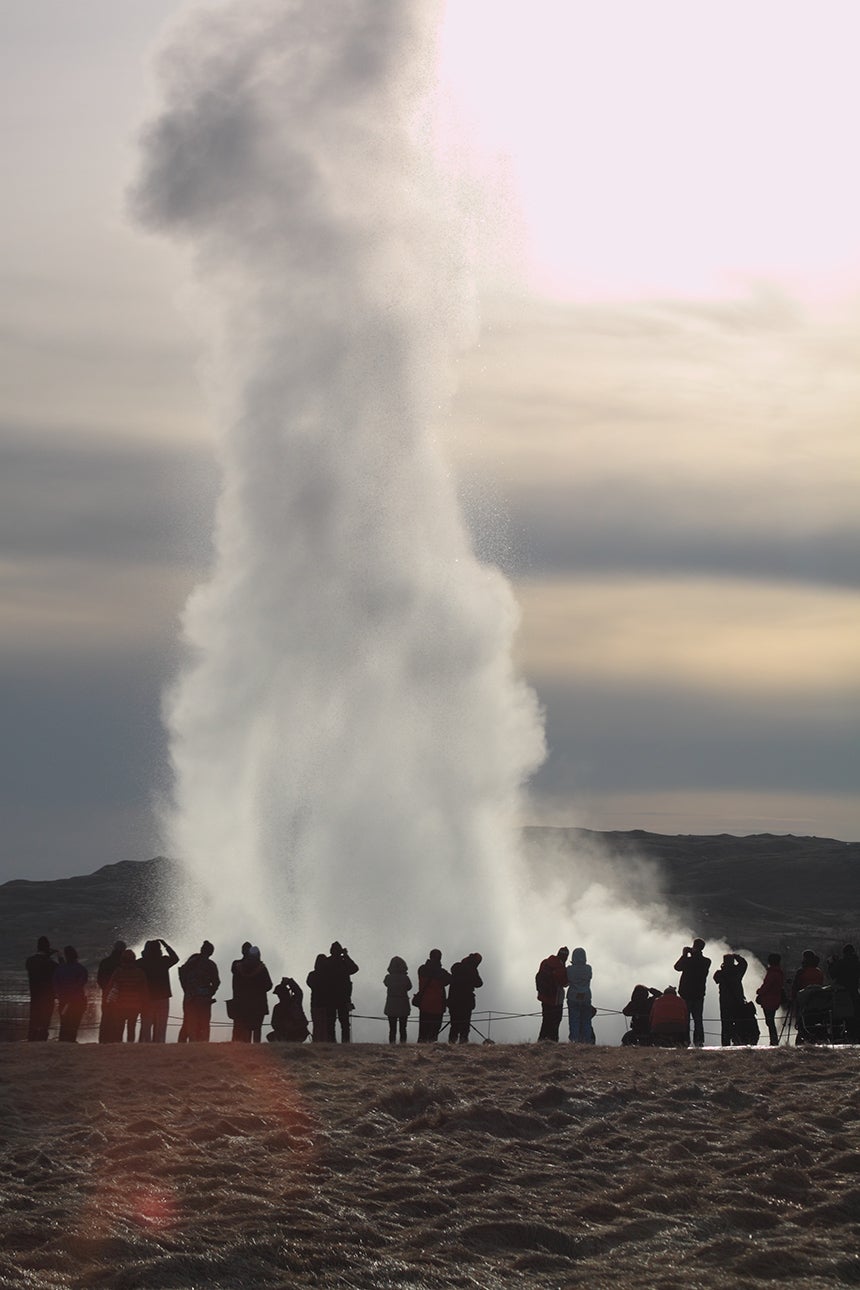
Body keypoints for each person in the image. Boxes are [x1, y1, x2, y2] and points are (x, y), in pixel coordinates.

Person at [177, 941, 220, 1042]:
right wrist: (210, 993)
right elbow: (216, 982)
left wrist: (187, 991)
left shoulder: (191, 962)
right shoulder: (210, 964)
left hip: (190, 998)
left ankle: (182, 1045)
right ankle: (201, 1044)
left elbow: (182, 976)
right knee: (203, 1024)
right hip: (203, 999)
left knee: (188, 1023)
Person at [138, 938, 180, 1043]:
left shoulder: (142, 963)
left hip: (147, 998)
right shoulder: (164, 961)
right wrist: (165, 944)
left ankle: (144, 1045)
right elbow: (175, 958)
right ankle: (159, 1044)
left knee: (146, 1025)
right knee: (161, 1025)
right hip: (163, 997)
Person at [230, 945, 272, 1042]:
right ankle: (257, 1048)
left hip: (243, 1003)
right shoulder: (262, 968)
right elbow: (269, 985)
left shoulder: (237, 966)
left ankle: (247, 1048)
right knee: (257, 1028)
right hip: (259, 1003)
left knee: (246, 1028)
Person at [674, 939, 711, 1047]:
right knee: (698, 1019)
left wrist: (684, 955)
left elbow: (677, 967)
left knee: (685, 1019)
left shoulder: (688, 960)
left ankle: (685, 1041)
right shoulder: (706, 961)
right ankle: (699, 1041)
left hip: (686, 994)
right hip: (699, 994)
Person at [106, 948, 148, 1042]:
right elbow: (144, 990)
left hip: (120, 1004)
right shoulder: (139, 972)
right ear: (134, 959)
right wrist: (144, 1004)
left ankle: (118, 1044)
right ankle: (130, 1045)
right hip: (135, 1004)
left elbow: (110, 986)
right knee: (131, 1027)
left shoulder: (118, 971)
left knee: (119, 1027)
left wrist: (109, 1001)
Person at [25, 936, 59, 1041]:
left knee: (34, 1020)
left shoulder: (30, 961)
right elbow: (60, 970)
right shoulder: (51, 964)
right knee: (44, 1021)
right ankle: (41, 1039)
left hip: (35, 996)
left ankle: (32, 1038)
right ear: (48, 948)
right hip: (48, 996)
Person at [54, 946, 89, 1043]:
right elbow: (81, 983)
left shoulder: (60, 969)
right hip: (77, 1001)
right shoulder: (81, 969)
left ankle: (63, 1041)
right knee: (74, 1023)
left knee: (64, 1023)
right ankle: (71, 1041)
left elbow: (56, 984)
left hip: (63, 1000)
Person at [416, 949, 451, 1042]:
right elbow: (450, 979)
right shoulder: (441, 972)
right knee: (433, 1033)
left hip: (425, 1004)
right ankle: (430, 1052)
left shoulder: (422, 969)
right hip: (437, 1005)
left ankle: (420, 1051)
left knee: (423, 1033)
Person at [326, 942, 359, 1042]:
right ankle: (345, 1042)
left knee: (331, 1023)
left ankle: (331, 1042)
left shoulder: (327, 962)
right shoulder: (343, 962)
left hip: (330, 996)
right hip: (343, 996)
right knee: (344, 1023)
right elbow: (355, 968)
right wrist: (346, 956)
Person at [713, 952, 748, 1046]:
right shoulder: (737, 971)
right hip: (737, 1000)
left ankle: (725, 1044)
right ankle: (738, 1042)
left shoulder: (719, 973)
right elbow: (744, 964)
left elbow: (716, 979)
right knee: (738, 1023)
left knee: (725, 1024)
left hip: (725, 1002)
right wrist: (737, 956)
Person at [827, 945, 860, 1042]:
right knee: (855, 1015)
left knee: (840, 1015)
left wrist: (831, 964)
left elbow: (833, 974)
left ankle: (838, 1036)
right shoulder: (857, 963)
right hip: (854, 991)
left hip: (842, 993)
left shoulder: (841, 963)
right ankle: (855, 1035)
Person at [447, 953, 483, 1044]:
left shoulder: (456, 967)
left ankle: (451, 1043)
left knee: (454, 1025)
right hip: (466, 1002)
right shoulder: (472, 970)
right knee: (465, 1025)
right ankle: (463, 1043)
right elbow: (479, 983)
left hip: (453, 1001)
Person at [536, 947, 569, 1042]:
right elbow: (565, 983)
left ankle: (541, 1041)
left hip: (544, 997)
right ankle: (553, 1042)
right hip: (556, 1000)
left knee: (545, 1021)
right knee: (555, 1023)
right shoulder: (560, 968)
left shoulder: (545, 962)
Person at [97, 940, 127, 1043]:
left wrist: (106, 990)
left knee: (106, 1018)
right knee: (119, 1019)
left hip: (106, 994)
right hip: (122, 996)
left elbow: (99, 979)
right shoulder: (124, 964)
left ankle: (103, 1040)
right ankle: (117, 1040)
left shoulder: (105, 962)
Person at [756, 953, 786, 1046]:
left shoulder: (772, 973)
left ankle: (773, 1041)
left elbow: (767, 986)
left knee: (769, 1021)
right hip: (775, 999)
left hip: (768, 1000)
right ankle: (773, 1040)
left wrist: (759, 992)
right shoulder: (779, 973)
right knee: (770, 1021)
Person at [566, 947, 594, 1043]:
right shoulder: (588, 968)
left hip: (573, 996)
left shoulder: (569, 969)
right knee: (586, 1021)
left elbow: (567, 981)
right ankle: (587, 1040)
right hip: (586, 996)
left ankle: (574, 1040)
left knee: (574, 1020)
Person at [268, 978, 309, 1042]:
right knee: (271, 1036)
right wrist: (283, 1027)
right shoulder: (277, 1008)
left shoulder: (295, 1002)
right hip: (284, 1033)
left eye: (281, 994)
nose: (280, 996)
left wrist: (290, 982)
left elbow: (298, 992)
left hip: (299, 1032)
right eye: (279, 995)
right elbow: (274, 1023)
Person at [383, 955, 412, 1044]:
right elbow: (409, 987)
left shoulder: (388, 977)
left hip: (391, 1004)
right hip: (403, 1003)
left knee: (392, 1029)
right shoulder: (405, 978)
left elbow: (386, 984)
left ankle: (392, 1044)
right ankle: (403, 1044)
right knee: (403, 1028)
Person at [306, 954, 333, 1042]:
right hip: (325, 1004)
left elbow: (310, 984)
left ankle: (317, 1042)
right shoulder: (328, 975)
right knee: (325, 1026)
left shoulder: (312, 975)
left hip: (316, 1003)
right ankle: (324, 1043)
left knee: (317, 1026)